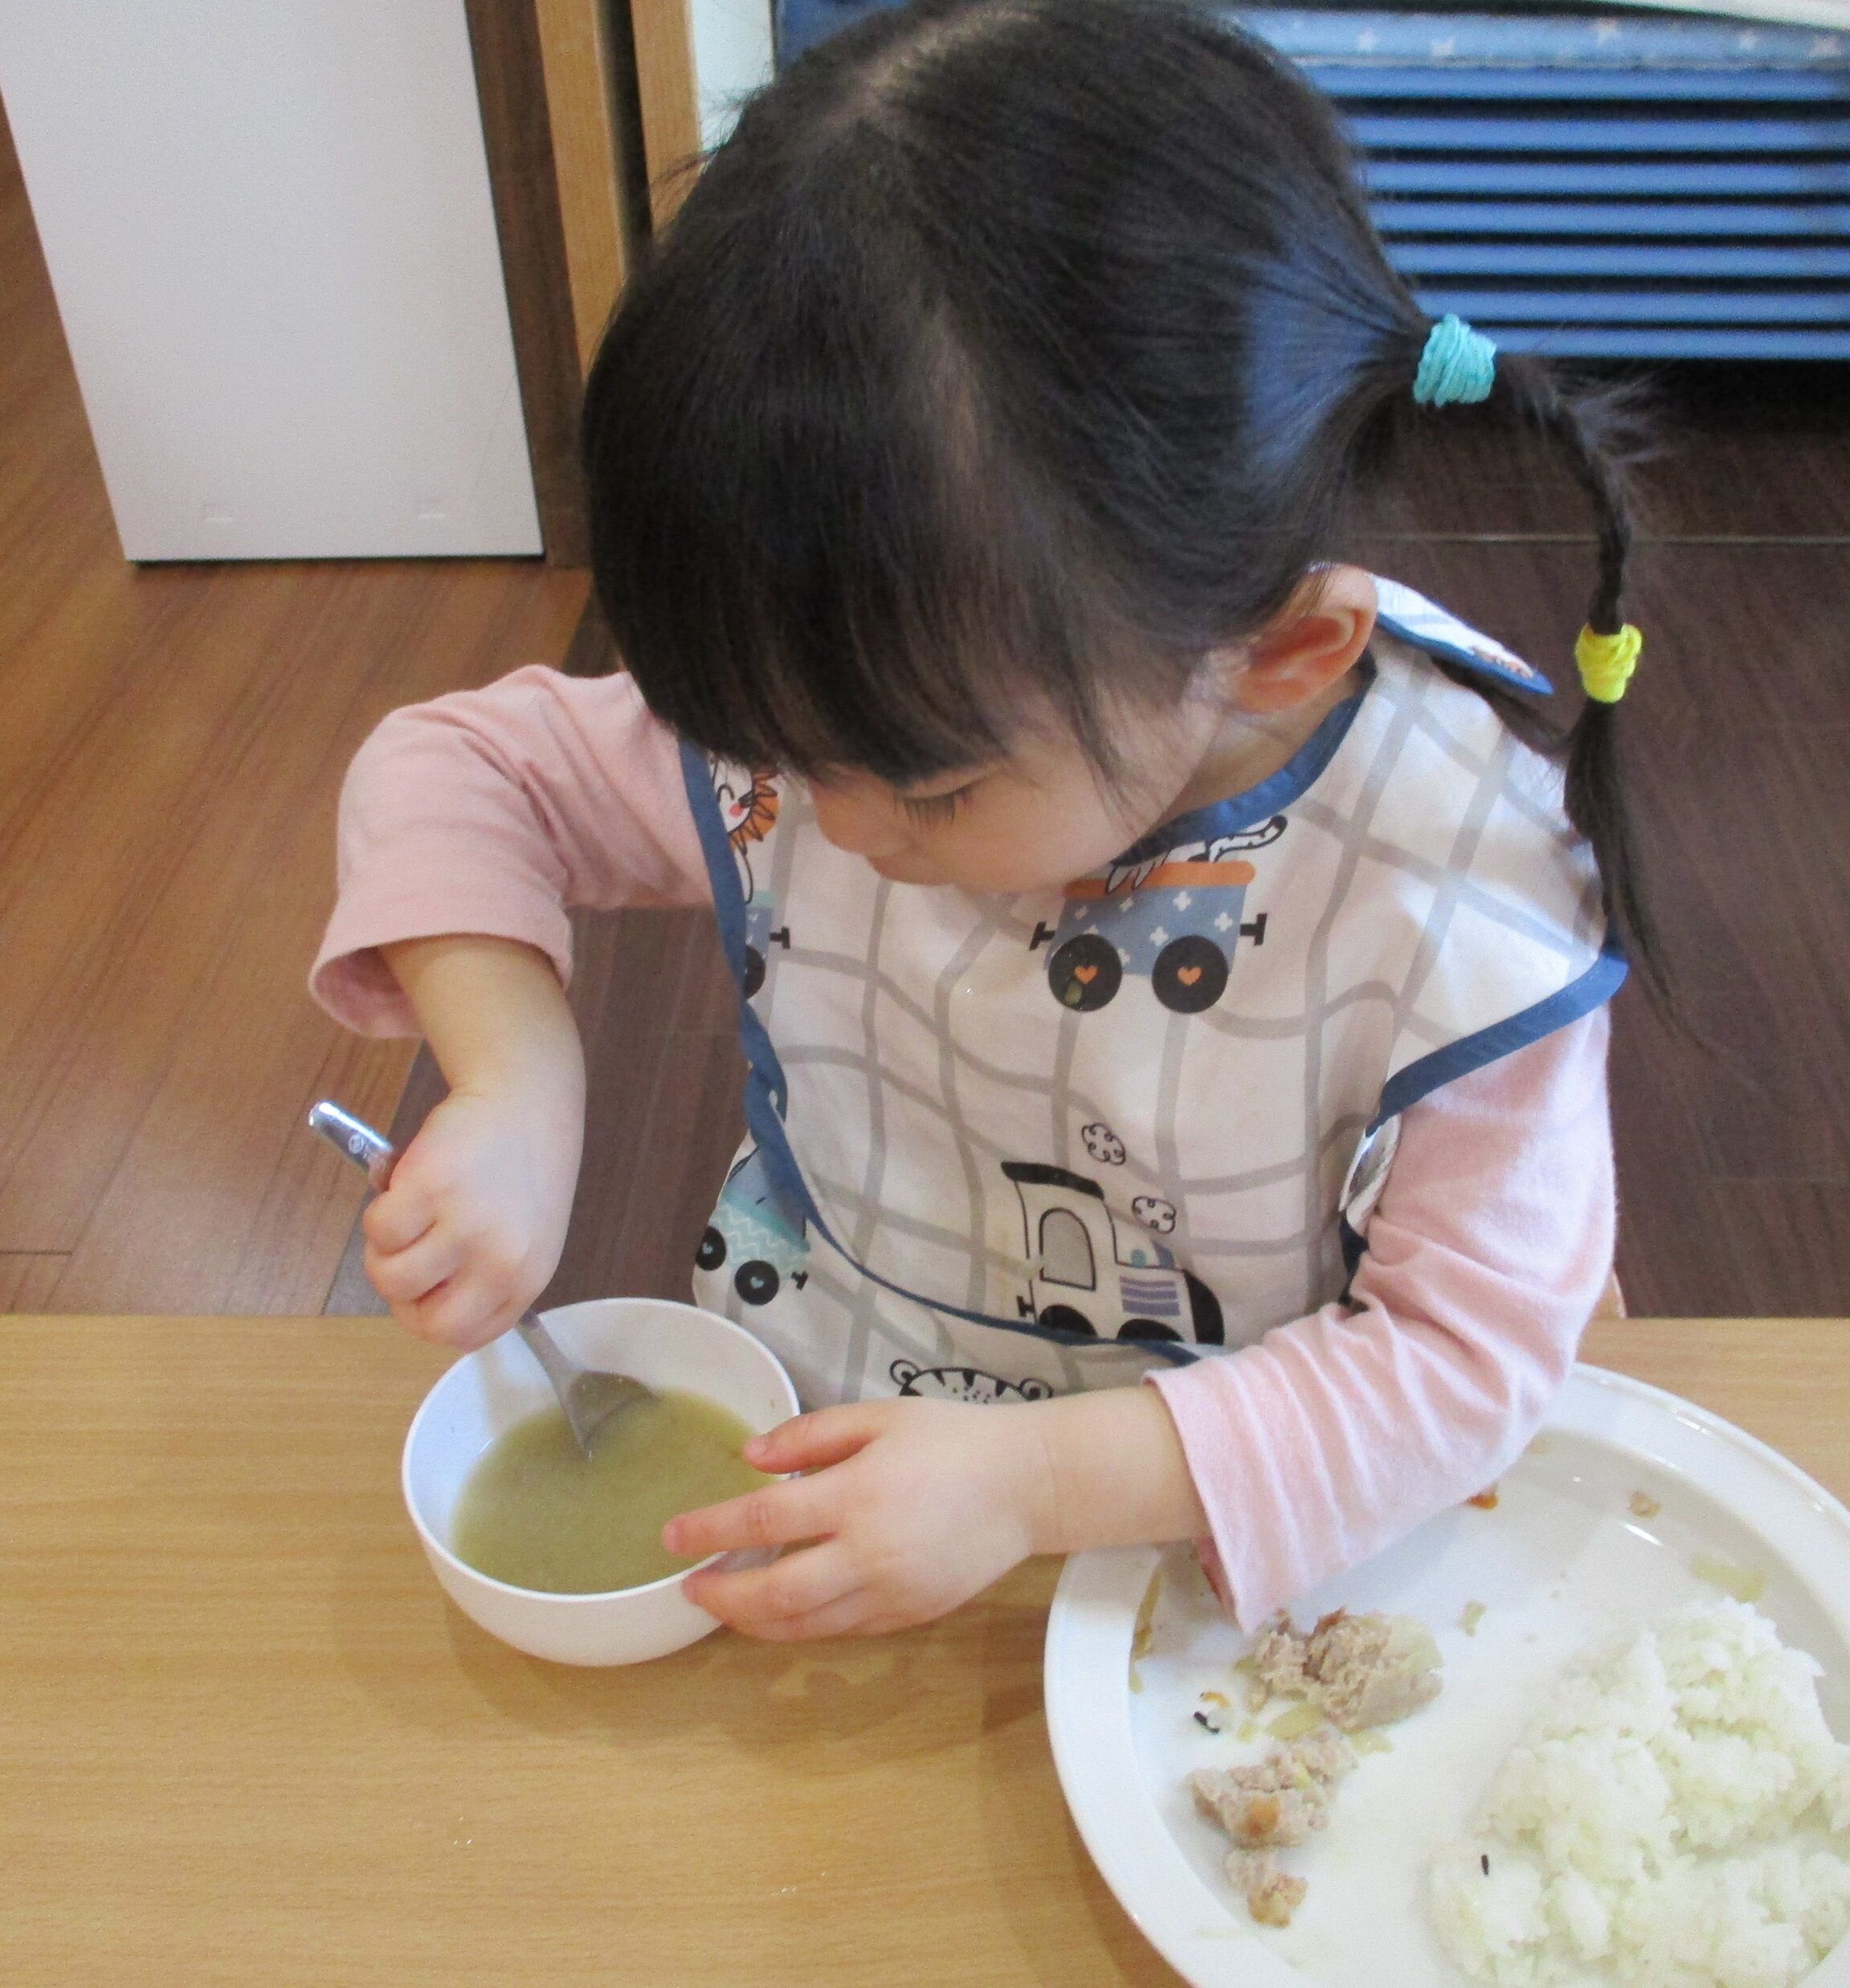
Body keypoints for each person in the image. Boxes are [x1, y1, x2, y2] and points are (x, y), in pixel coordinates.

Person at [312, 0, 1656, 1643]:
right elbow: (457, 769)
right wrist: (515, 1077)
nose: (836, 826)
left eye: (929, 787)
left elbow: (1464, 1359)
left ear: (1274, 649)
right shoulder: (856, 700)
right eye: (779, 751)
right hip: (831, 1466)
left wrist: (1031, 1484)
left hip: (1225, 1551)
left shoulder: (1453, 880)